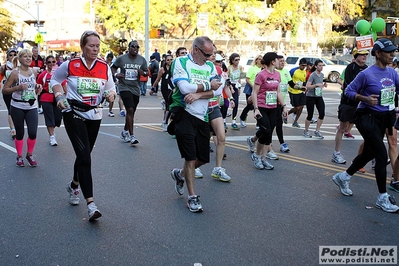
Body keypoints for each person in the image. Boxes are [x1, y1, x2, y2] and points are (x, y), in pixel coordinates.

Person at [50, 30, 116, 221]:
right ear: (82, 47)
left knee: (83, 155)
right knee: (85, 157)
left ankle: (73, 185)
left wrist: (111, 95)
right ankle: (91, 204)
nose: (95, 49)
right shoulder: (70, 65)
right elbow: (55, 79)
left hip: (94, 114)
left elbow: (111, 88)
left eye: (98, 46)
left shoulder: (104, 67)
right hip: (73, 112)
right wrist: (59, 96)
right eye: (91, 46)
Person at [332, 38, 399, 213]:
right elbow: (348, 91)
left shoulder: (392, 73)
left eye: (393, 51)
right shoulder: (366, 74)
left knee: (369, 152)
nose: (392, 54)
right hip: (366, 117)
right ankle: (382, 197)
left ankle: (343, 176)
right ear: (377, 53)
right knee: (381, 153)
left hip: (384, 117)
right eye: (389, 51)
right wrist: (365, 98)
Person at [169, 36, 221, 212]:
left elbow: (218, 90)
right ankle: (192, 197)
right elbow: (184, 88)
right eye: (207, 54)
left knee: (203, 158)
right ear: (196, 50)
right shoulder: (180, 62)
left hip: (202, 116)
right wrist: (208, 85)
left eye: (212, 54)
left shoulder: (211, 66)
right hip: (184, 113)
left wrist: (199, 94)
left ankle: (180, 174)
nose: (209, 57)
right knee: (190, 158)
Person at [3, 49, 43, 167]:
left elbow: (33, 86)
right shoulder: (15, 73)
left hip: (31, 105)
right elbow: (5, 90)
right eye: (25, 57)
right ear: (19, 59)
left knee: (33, 132)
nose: (28, 58)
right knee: (20, 133)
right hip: (17, 106)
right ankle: (19, 156)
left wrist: (38, 87)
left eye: (29, 56)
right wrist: (18, 87)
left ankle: (29, 154)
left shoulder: (34, 71)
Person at [251, 52, 288, 170]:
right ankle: (257, 156)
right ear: (273, 61)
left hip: (273, 108)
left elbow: (278, 92)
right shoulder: (261, 75)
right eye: (278, 60)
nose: (280, 62)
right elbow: (255, 92)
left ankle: (264, 158)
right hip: (261, 107)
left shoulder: (277, 75)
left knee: (269, 134)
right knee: (265, 131)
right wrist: (256, 109)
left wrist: (284, 106)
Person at [332, 48, 368, 164]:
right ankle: (336, 153)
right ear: (356, 56)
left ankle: (372, 156)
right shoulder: (350, 68)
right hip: (348, 103)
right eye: (362, 55)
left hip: (362, 104)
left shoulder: (367, 69)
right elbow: (350, 86)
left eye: (366, 55)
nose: (364, 57)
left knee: (369, 130)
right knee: (342, 128)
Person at [111, 40, 148, 146]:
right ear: (129, 47)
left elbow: (146, 72)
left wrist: (143, 73)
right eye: (133, 46)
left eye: (137, 47)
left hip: (135, 88)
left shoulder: (142, 60)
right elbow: (113, 68)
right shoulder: (122, 59)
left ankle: (124, 131)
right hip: (124, 87)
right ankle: (132, 136)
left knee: (131, 112)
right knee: (130, 109)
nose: (135, 49)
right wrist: (116, 75)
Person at [36, 55, 67, 146]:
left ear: (55, 62)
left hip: (58, 98)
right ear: (46, 63)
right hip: (46, 97)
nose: (51, 64)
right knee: (49, 118)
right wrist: (38, 89)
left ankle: (52, 129)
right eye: (49, 62)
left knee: (57, 120)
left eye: (53, 62)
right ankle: (52, 136)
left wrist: (68, 96)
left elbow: (64, 85)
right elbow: (38, 85)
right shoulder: (43, 74)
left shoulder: (59, 74)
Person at [303, 59, 327, 139]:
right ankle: (306, 130)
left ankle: (317, 130)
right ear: (316, 66)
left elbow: (320, 84)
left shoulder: (322, 75)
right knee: (310, 115)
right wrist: (316, 85)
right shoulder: (313, 75)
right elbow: (308, 86)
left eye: (322, 65)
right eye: (319, 65)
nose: (321, 67)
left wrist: (323, 85)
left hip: (319, 96)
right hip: (310, 96)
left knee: (322, 113)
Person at [239, 55, 262, 128]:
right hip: (251, 88)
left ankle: (258, 123)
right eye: (259, 59)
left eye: (262, 59)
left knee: (259, 106)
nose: (261, 61)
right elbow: (247, 79)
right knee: (249, 105)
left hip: (260, 89)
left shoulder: (263, 69)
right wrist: (253, 86)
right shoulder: (252, 69)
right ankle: (242, 117)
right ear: (256, 60)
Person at [152, 54, 173, 131]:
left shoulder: (174, 68)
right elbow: (158, 79)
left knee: (171, 105)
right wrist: (153, 88)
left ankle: (167, 120)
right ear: (165, 61)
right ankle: (165, 121)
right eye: (168, 60)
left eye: (171, 59)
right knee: (169, 105)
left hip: (172, 88)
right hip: (164, 88)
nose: (170, 61)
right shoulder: (162, 69)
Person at [0, 48, 17, 139]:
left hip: (17, 91)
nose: (13, 57)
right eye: (10, 55)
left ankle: (17, 126)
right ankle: (13, 129)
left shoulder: (20, 66)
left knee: (17, 110)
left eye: (14, 55)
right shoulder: (4, 67)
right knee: (10, 110)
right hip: (8, 91)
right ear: (7, 57)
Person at [287, 58, 307, 128]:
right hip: (293, 91)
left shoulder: (305, 72)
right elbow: (288, 79)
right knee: (297, 107)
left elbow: (303, 81)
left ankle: (295, 121)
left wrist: (304, 87)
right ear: (299, 64)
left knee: (301, 107)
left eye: (305, 65)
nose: (304, 67)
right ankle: (286, 114)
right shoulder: (294, 70)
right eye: (302, 65)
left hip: (301, 91)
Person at [226, 53, 243, 130]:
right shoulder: (229, 68)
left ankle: (234, 121)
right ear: (232, 60)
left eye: (238, 59)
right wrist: (230, 87)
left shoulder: (240, 67)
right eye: (236, 60)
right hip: (230, 86)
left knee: (236, 104)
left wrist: (239, 88)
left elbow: (239, 78)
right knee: (226, 104)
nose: (237, 61)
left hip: (236, 86)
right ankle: (223, 120)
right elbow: (227, 79)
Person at [29, 46, 45, 114]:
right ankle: (31, 105)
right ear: (32, 52)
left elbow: (43, 67)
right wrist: (32, 69)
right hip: (31, 77)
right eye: (35, 51)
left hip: (39, 77)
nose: (36, 53)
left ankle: (39, 107)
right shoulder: (30, 58)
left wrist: (41, 69)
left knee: (40, 91)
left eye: (37, 51)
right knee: (32, 91)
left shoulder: (40, 58)